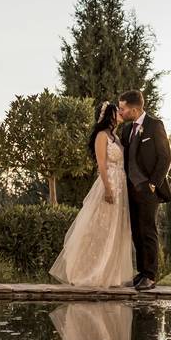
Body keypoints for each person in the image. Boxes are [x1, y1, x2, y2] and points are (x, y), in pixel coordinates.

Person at [49, 102, 134, 287]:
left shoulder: (116, 137)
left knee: (114, 229)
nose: (120, 113)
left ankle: (109, 274)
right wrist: (108, 189)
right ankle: (89, 271)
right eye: (116, 111)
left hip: (121, 184)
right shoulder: (101, 136)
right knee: (100, 228)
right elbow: (101, 164)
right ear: (109, 116)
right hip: (109, 183)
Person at [117, 89, 171, 291]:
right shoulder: (126, 130)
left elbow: (165, 157)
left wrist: (152, 183)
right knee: (136, 231)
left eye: (123, 108)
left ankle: (150, 275)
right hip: (130, 189)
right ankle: (141, 273)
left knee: (148, 231)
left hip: (148, 189)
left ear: (134, 109)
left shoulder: (154, 125)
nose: (120, 112)